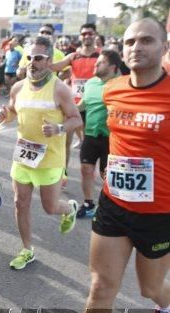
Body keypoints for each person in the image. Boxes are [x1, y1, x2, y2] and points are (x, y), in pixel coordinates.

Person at [82, 18, 170, 313]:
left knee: (149, 288)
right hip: (114, 204)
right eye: (131, 41)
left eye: (147, 40)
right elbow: (108, 132)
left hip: (158, 213)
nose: (136, 47)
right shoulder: (112, 88)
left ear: (164, 47)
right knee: (101, 287)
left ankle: (164, 307)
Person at [0, 36, 82, 270]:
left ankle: (69, 208)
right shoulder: (18, 87)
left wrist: (58, 128)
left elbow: (76, 118)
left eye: (38, 58)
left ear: (49, 60)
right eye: (29, 57)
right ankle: (27, 249)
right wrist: (5, 115)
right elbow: (13, 111)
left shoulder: (60, 89)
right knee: (19, 203)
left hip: (50, 159)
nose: (32, 62)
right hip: (24, 155)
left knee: (50, 207)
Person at [76, 50, 121, 219]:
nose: (95, 64)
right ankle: (88, 204)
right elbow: (83, 104)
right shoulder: (91, 83)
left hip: (111, 138)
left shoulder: (122, 84)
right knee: (86, 169)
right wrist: (63, 109)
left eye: (100, 62)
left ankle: (110, 205)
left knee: (107, 174)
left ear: (113, 67)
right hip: (90, 134)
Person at [52, 23, 100, 167]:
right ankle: (64, 174)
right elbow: (57, 66)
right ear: (80, 36)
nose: (87, 36)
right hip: (74, 106)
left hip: (93, 106)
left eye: (90, 33)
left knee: (90, 145)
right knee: (66, 143)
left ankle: (90, 172)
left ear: (95, 35)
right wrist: (36, 62)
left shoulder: (101, 55)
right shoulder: (73, 56)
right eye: (84, 34)